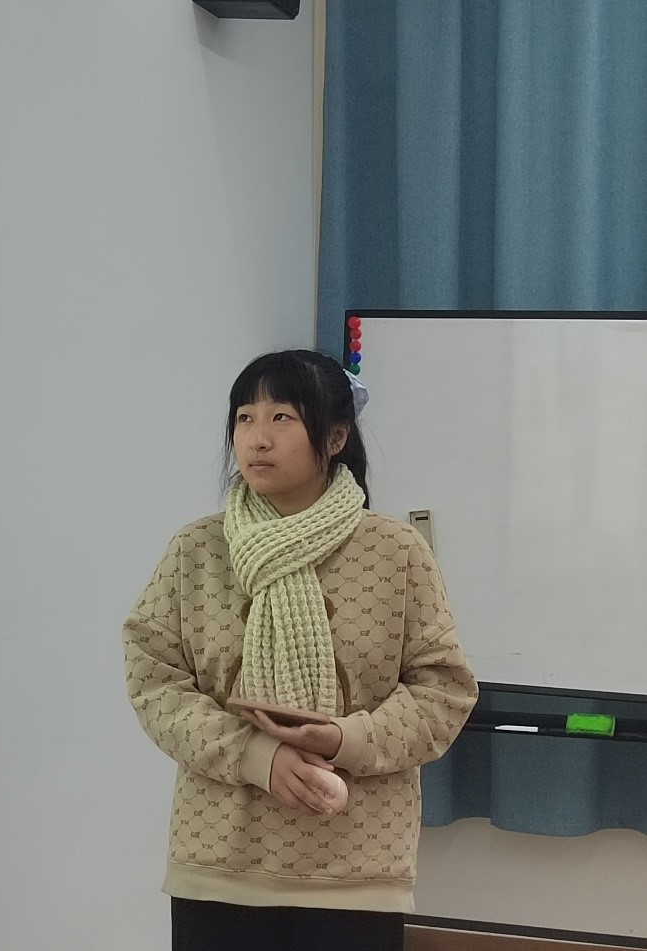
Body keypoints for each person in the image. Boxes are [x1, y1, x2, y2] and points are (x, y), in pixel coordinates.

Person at [123, 349, 478, 951]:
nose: (257, 438)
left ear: (335, 437)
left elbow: (443, 691)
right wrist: (257, 756)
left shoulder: (396, 551)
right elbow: (154, 681)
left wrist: (345, 739)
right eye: (244, 418)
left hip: (356, 865)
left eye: (281, 417)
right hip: (220, 858)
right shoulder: (197, 549)